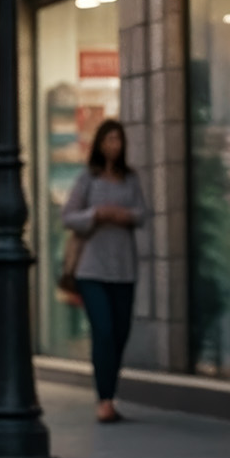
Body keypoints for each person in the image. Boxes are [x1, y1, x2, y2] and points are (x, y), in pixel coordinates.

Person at [64, 118, 148, 424]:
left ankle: (111, 392)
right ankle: (104, 400)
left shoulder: (131, 179)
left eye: (118, 140)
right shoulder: (88, 179)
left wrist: (124, 215)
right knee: (103, 330)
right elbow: (68, 216)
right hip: (92, 268)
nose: (114, 145)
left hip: (124, 267)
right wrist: (96, 214)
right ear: (99, 144)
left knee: (120, 333)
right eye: (109, 139)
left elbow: (142, 214)